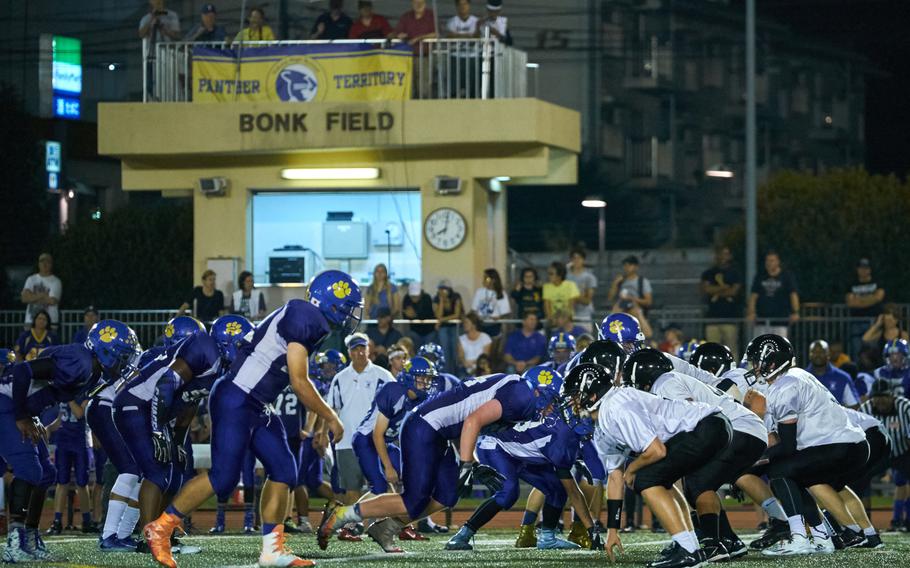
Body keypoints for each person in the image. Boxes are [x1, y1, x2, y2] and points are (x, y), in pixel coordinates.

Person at [143, 270, 362, 568]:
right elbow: (299, 381)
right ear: (332, 303)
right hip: (237, 396)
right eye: (349, 306)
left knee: (285, 470)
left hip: (255, 402)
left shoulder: (310, 320)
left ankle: (272, 551)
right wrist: (331, 416)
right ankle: (161, 527)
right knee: (224, 477)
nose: (352, 314)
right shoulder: (306, 316)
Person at [317, 368, 549, 553]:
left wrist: (474, 463)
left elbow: (463, 423)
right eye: (552, 400)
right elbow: (471, 421)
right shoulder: (521, 396)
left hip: (441, 432)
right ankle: (343, 514)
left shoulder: (515, 387)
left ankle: (387, 528)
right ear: (540, 392)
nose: (551, 408)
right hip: (424, 427)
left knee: (447, 495)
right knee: (414, 500)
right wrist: (467, 466)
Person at [564, 361, 732, 568]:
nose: (572, 402)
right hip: (706, 428)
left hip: (705, 426)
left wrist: (632, 470)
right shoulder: (602, 425)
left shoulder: (616, 405)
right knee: (660, 478)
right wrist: (612, 531)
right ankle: (690, 546)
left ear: (591, 394)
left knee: (646, 478)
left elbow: (656, 451)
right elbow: (615, 478)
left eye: (575, 395)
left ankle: (687, 550)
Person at [0, 320, 137, 563]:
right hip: (7, 405)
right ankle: (14, 542)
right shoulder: (81, 362)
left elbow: (43, 384)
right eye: (122, 356)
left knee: (46, 474)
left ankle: (30, 538)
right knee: (30, 470)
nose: (124, 363)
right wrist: (22, 416)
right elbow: (23, 371)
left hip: (19, 407)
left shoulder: (91, 370)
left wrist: (32, 415)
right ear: (106, 352)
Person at [622, 349, 766, 561]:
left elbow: (690, 413)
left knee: (698, 483)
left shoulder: (664, 382)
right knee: (698, 482)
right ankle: (727, 540)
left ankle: (711, 542)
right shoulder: (671, 379)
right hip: (745, 430)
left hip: (738, 429)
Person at [744, 334, 870, 555]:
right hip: (846, 445)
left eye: (757, 361)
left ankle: (800, 537)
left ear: (771, 362)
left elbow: (788, 446)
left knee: (779, 471)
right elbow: (782, 441)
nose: (754, 367)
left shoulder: (785, 386)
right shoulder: (796, 375)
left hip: (839, 446)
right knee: (792, 475)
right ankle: (822, 537)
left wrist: (753, 463)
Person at [446, 366, 596, 551]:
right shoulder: (513, 403)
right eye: (545, 399)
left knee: (557, 490)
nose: (550, 407)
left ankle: (547, 537)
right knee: (508, 492)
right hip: (497, 448)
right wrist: (470, 462)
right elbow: (476, 424)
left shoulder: (558, 422)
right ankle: (464, 533)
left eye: (554, 400)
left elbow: (570, 485)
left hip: (526, 455)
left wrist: (575, 456)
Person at [328, 332, 395, 508]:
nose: (359, 352)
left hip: (375, 441)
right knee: (351, 488)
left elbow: (396, 405)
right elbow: (332, 410)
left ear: (369, 349)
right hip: (347, 441)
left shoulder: (383, 375)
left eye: (362, 348)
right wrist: (325, 432)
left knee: (385, 485)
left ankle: (382, 526)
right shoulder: (340, 378)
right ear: (349, 352)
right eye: (355, 348)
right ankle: (351, 527)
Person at [859, 379, 910, 532]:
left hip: (903, 451)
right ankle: (865, 525)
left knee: (904, 481)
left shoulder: (905, 407)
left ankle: (905, 521)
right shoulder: (865, 409)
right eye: (876, 396)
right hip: (877, 455)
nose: (880, 400)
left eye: (884, 396)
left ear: (892, 396)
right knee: (860, 481)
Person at [46, 397, 96, 535]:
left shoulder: (83, 392)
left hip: (81, 442)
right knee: (62, 482)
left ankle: (87, 521)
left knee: (82, 482)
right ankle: (57, 521)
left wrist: (70, 397)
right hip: (63, 442)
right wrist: (50, 428)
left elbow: (79, 414)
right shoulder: (64, 393)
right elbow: (61, 419)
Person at [746, 251, 800, 338]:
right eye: (767, 261)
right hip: (762, 319)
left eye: (772, 261)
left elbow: (793, 294)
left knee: (779, 346)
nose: (769, 263)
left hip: (780, 320)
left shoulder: (786, 276)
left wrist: (795, 311)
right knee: (761, 346)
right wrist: (751, 312)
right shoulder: (760, 276)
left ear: (778, 262)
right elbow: (754, 296)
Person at [701, 246, 742, 358]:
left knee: (731, 350)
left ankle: (733, 373)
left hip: (730, 318)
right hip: (712, 318)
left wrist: (716, 292)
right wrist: (725, 288)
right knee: (712, 350)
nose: (723, 257)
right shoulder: (709, 273)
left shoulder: (735, 273)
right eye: (721, 254)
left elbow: (734, 291)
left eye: (726, 254)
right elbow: (706, 289)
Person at [391, 0, 438, 96]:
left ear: (425, 3)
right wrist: (399, 36)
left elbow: (436, 34)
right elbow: (396, 33)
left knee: (424, 88)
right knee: (408, 87)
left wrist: (419, 38)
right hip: (407, 58)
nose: (418, 5)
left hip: (424, 57)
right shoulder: (406, 17)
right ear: (412, 3)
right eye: (416, 2)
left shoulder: (431, 15)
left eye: (421, 2)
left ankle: (424, 109)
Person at [846, 258, 885, 358]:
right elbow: (850, 302)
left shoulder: (877, 282)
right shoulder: (851, 283)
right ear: (857, 269)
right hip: (856, 321)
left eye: (866, 268)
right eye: (861, 268)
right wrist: (870, 299)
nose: (863, 270)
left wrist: (859, 300)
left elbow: (878, 298)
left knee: (873, 350)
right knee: (856, 349)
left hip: (874, 322)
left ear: (869, 269)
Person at [806, 340, 860, 408]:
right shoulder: (801, 378)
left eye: (822, 352)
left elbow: (854, 405)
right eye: (814, 352)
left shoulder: (843, 378)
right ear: (809, 355)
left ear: (828, 354)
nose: (818, 355)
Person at [20, 253, 62, 329]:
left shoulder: (56, 281)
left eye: (47, 261)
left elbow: (52, 301)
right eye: (42, 261)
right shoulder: (31, 279)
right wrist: (43, 295)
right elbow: (24, 298)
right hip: (30, 321)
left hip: (50, 322)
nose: (44, 264)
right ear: (38, 264)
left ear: (51, 264)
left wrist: (32, 296)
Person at [433, 280, 463, 371]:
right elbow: (438, 315)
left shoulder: (456, 297)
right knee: (445, 351)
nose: (442, 291)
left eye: (445, 289)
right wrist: (441, 300)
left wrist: (441, 320)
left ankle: (457, 372)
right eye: (440, 289)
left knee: (455, 351)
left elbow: (457, 314)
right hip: (443, 327)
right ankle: (447, 372)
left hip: (455, 326)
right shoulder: (436, 299)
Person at [471, 268, 511, 336]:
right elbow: (473, 309)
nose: (483, 280)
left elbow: (506, 313)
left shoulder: (501, 294)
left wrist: (499, 317)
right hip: (480, 325)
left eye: (486, 278)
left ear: (493, 280)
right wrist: (477, 316)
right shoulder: (479, 292)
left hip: (494, 326)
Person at [567, 249, 598, 325]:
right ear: (571, 260)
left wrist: (573, 296)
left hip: (584, 315)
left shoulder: (590, 277)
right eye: (574, 258)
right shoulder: (565, 277)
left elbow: (587, 301)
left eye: (579, 258)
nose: (576, 260)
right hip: (567, 315)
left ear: (583, 260)